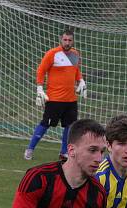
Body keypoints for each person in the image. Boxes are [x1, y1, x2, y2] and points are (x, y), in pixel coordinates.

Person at [24, 29, 87, 162]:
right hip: (54, 99)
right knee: (45, 123)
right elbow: (41, 70)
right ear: (60, 39)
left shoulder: (75, 54)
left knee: (69, 126)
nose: (67, 42)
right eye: (65, 40)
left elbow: (76, 71)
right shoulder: (52, 54)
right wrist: (39, 88)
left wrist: (81, 80)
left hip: (71, 99)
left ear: (73, 41)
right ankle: (30, 149)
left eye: (70, 40)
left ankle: (64, 152)